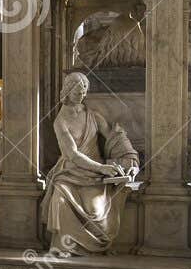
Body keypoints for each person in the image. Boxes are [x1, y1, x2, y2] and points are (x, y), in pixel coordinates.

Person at [40, 71, 138, 255]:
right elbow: (73, 155)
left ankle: (92, 246)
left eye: (84, 93)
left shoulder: (92, 115)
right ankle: (62, 246)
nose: (82, 96)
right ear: (67, 92)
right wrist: (102, 167)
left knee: (96, 209)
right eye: (78, 93)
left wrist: (130, 160)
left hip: (96, 175)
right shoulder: (60, 122)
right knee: (59, 198)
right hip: (70, 172)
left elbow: (114, 137)